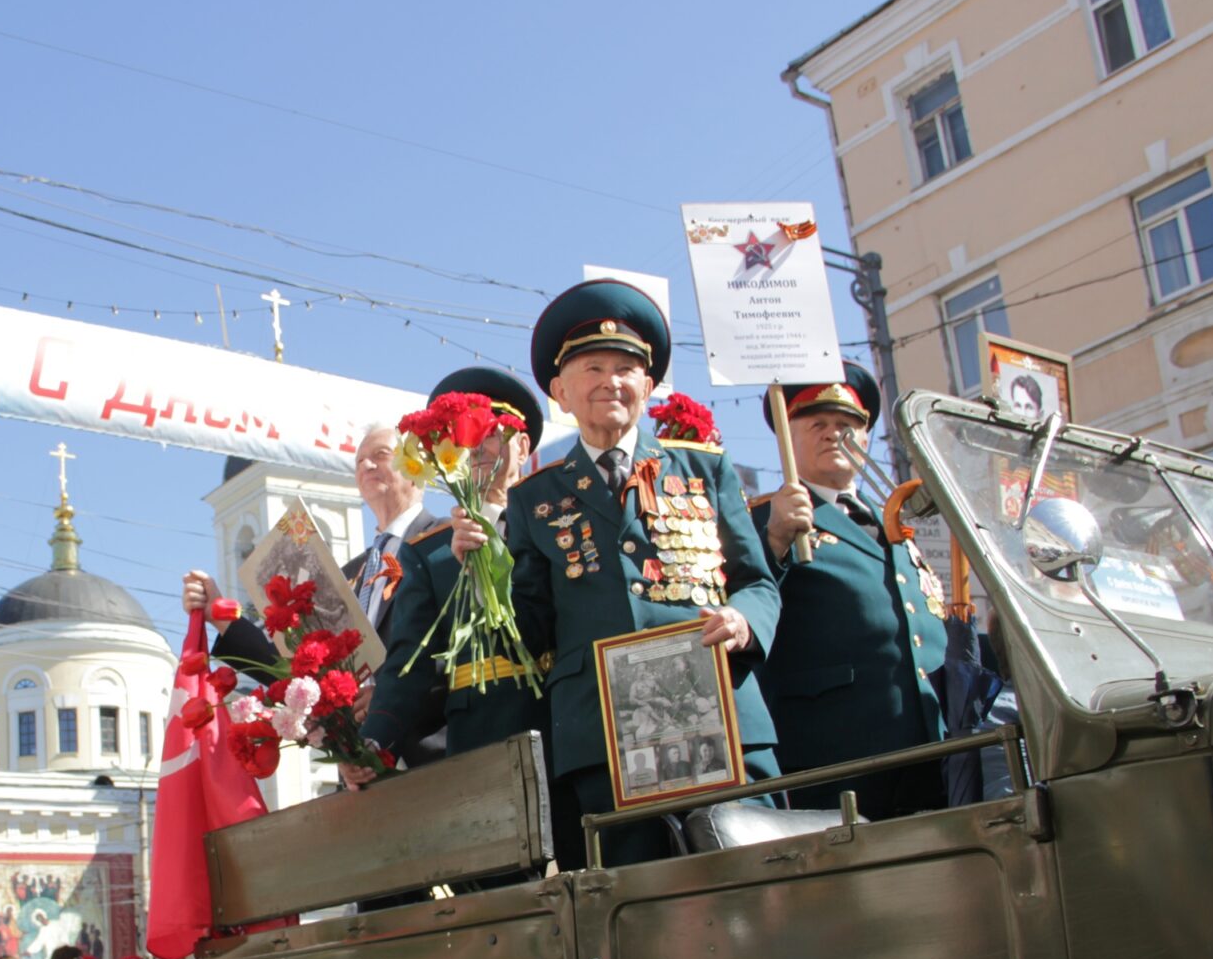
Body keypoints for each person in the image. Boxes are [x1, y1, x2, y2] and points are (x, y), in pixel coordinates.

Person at [501, 279, 783, 869]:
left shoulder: (705, 469)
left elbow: (758, 582)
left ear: (649, 386)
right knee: (630, 911)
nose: (612, 380)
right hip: (600, 734)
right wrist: (483, 574)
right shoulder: (533, 497)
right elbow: (531, 626)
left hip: (722, 714)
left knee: (756, 884)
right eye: (593, 367)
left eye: (627, 367)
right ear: (560, 392)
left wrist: (742, 621)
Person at [184, 424, 449, 768]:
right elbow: (303, 669)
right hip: (359, 769)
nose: (366, 466)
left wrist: (385, 700)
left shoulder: (443, 540)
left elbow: (457, 648)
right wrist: (222, 619)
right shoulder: (351, 573)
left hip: (429, 757)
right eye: (359, 462)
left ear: (417, 469)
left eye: (380, 455)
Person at [753, 363, 948, 819]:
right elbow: (749, 599)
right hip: (835, 759)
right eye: (817, 424)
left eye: (847, 425)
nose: (833, 434)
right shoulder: (764, 520)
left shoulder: (895, 522)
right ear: (786, 436)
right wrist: (776, 539)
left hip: (931, 749)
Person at [356, 368, 553, 779]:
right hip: (477, 745)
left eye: (492, 432)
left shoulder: (554, 526)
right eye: (466, 436)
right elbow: (408, 665)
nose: (479, 445)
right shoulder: (430, 551)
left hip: (559, 726)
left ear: (523, 444)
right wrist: (371, 743)